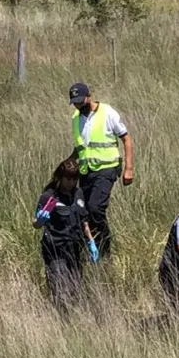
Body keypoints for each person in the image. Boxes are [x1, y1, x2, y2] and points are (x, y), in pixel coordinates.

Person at [68, 82, 134, 262]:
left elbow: (126, 139)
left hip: (107, 169)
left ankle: (105, 248)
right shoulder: (76, 118)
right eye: (75, 103)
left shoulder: (107, 113)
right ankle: (91, 248)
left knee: (96, 208)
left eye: (81, 101)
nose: (79, 105)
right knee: (83, 212)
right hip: (85, 171)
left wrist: (128, 169)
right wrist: (67, 165)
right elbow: (81, 147)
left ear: (89, 97)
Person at [33, 157, 100, 315]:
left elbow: (84, 221)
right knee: (60, 289)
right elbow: (36, 223)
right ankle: (61, 319)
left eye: (74, 179)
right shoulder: (49, 197)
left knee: (75, 289)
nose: (71, 182)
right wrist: (40, 220)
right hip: (55, 249)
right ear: (61, 177)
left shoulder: (78, 194)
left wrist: (91, 243)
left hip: (74, 249)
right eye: (68, 179)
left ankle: (72, 319)